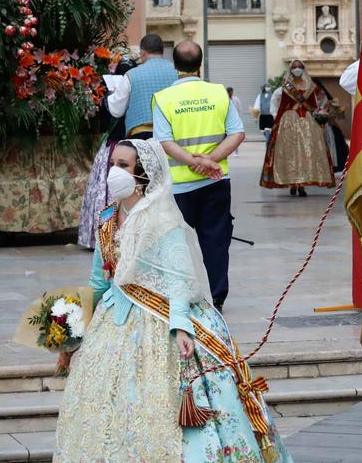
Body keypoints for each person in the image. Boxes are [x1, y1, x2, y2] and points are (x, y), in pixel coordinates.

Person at [54, 139, 292, 462]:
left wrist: (181, 326)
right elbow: (98, 283)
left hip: (162, 321)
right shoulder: (108, 218)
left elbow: (179, 277)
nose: (113, 172)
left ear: (142, 173)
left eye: (123, 166)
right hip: (113, 324)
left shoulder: (161, 219)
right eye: (113, 164)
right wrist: (72, 333)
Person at [152, 41, 245, 311]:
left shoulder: (163, 98)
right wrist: (210, 161)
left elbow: (164, 142)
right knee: (216, 240)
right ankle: (216, 295)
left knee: (176, 242)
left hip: (179, 187)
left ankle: (182, 294)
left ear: (175, 66)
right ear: (200, 64)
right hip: (215, 182)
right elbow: (237, 133)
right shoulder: (218, 93)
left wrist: (193, 162)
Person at [77, 56, 134, 249]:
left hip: (113, 147)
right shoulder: (126, 93)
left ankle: (107, 235)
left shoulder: (109, 95)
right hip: (125, 146)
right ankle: (113, 234)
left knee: (107, 193)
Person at [260, 60, 335, 196]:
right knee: (290, 154)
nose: (297, 69)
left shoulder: (310, 86)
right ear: (290, 69)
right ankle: (292, 183)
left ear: (303, 69)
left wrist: (319, 118)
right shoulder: (285, 87)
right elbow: (277, 105)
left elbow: (314, 106)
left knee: (306, 154)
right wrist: (278, 120)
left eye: (300, 67)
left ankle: (301, 185)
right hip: (288, 124)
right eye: (294, 67)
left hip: (308, 124)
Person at [106, 34, 178, 139]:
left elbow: (117, 110)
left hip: (141, 136)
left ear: (143, 53)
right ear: (162, 52)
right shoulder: (177, 72)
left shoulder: (131, 75)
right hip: (172, 134)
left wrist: (112, 93)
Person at [227, 88, 244, 157]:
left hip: (235, 120)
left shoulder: (236, 99)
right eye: (229, 92)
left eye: (232, 92)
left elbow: (240, 108)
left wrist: (239, 119)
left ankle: (236, 150)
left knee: (235, 135)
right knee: (228, 137)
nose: (231, 93)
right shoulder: (225, 99)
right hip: (227, 119)